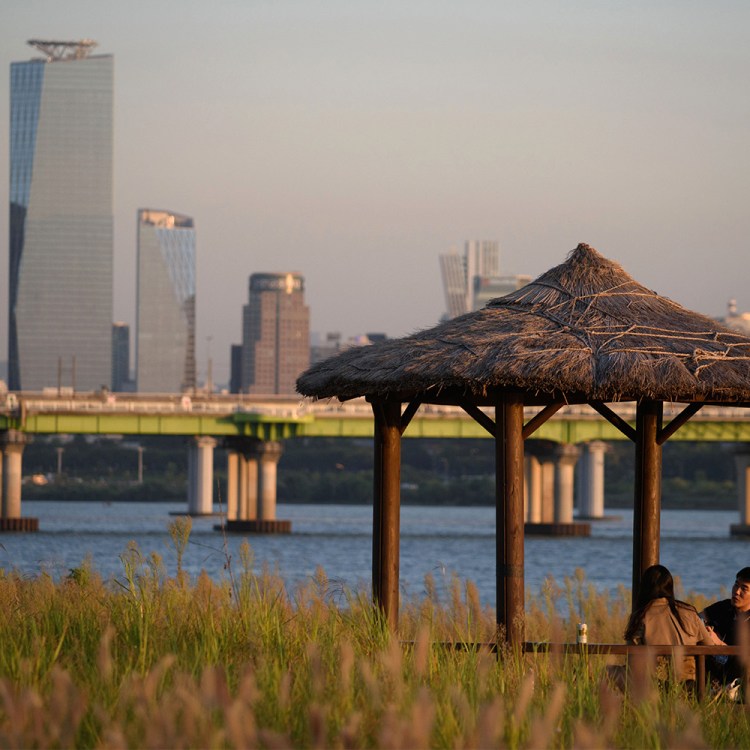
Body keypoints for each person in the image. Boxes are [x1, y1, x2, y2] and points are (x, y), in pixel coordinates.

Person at [623, 564, 713, 687]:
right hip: (689, 684)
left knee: (609, 672)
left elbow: (632, 658)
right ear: (670, 587)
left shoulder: (641, 617)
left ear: (644, 588)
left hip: (656, 685)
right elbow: (710, 646)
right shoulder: (689, 612)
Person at [700, 567, 750, 684]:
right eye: (736, 585)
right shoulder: (724, 607)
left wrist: (719, 644)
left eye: (744, 588)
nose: (737, 591)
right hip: (710, 674)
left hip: (738, 680)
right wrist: (704, 629)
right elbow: (697, 619)